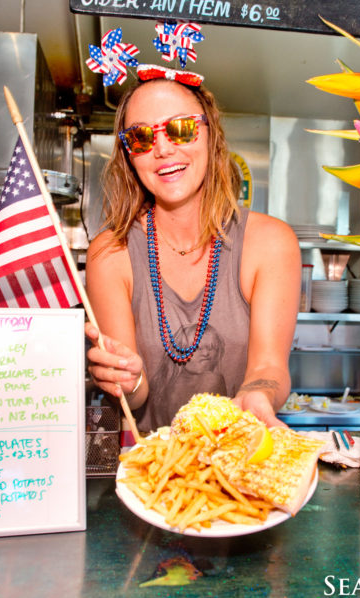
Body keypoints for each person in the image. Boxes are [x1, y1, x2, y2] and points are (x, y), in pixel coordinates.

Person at [84, 65, 301, 433]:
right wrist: (128, 381)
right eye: (141, 137)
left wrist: (258, 394)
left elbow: (269, 366)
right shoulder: (110, 253)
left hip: (236, 458)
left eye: (181, 129)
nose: (163, 149)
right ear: (128, 155)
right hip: (150, 464)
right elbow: (133, 399)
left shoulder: (271, 243)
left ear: (210, 133)